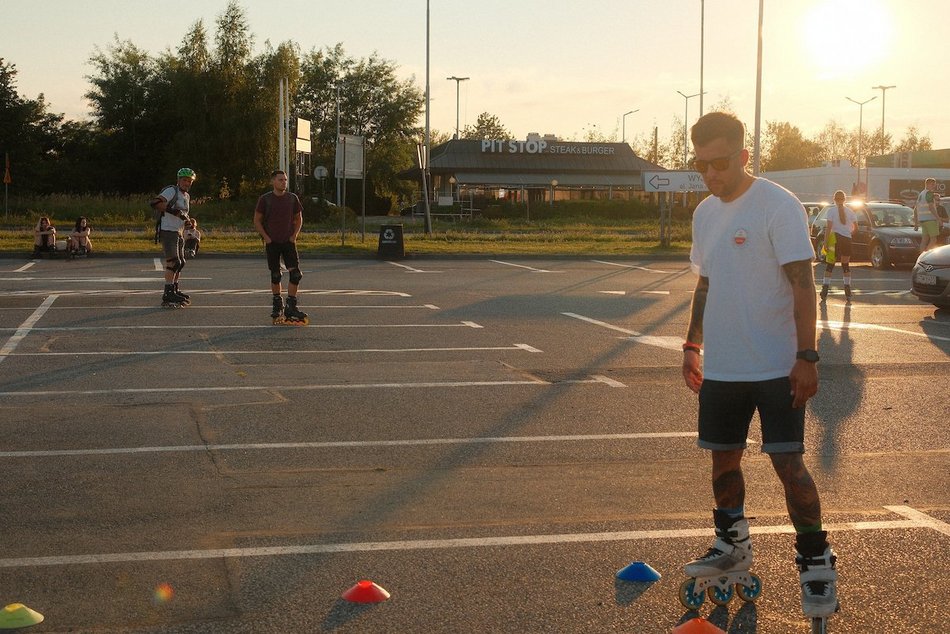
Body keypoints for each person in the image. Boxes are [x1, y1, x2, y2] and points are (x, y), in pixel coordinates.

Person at [681, 112, 837, 620]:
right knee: (722, 460)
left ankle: (816, 564)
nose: (711, 174)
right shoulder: (705, 213)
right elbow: (705, 284)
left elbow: (802, 284)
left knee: (788, 465)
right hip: (724, 367)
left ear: (744, 156)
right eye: (701, 165)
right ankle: (732, 543)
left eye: (719, 163)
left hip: (776, 366)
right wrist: (691, 344)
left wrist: (807, 356)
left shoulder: (778, 205)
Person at [253, 169, 308, 324]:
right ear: (273, 182)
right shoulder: (266, 199)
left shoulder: (292, 199)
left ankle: (291, 306)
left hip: (288, 241)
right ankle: (277, 305)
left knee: (296, 274)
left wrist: (294, 235)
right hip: (273, 242)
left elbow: (299, 218)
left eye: (285, 180)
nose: (283, 182)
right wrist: (266, 238)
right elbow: (257, 220)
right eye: (280, 180)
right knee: (276, 275)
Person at [151, 167, 196, 307]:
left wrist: (190, 222)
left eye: (189, 181)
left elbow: (184, 214)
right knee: (173, 261)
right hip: (168, 230)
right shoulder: (172, 191)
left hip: (179, 231)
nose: (187, 183)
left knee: (181, 262)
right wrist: (175, 212)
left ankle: (174, 289)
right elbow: (155, 203)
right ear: (178, 180)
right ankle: (168, 293)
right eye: (184, 180)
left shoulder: (186, 196)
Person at [819, 191, 857, 302]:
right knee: (846, 266)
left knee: (830, 266)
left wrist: (825, 243)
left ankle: (825, 290)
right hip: (847, 239)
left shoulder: (831, 211)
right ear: (845, 199)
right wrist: (848, 233)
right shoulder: (850, 212)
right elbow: (856, 228)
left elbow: (829, 228)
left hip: (834, 239)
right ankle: (848, 290)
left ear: (834, 199)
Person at [914, 177, 943, 252]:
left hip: (922, 220)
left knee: (924, 241)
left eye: (934, 184)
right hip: (930, 220)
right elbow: (931, 207)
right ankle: (926, 255)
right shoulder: (929, 193)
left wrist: (916, 223)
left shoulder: (921, 194)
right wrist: (938, 219)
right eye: (932, 184)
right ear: (927, 184)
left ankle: (921, 257)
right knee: (933, 240)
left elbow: (915, 209)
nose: (934, 186)